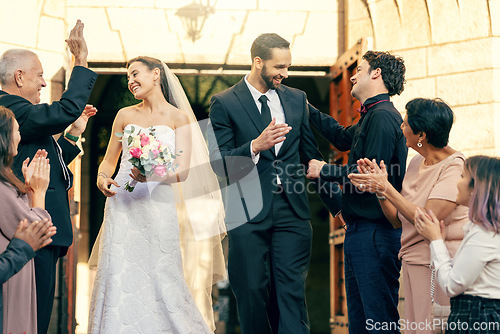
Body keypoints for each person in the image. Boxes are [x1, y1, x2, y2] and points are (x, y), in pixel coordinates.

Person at [89, 56, 225, 333]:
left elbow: (183, 171)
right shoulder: (124, 116)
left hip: (158, 206)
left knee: (161, 272)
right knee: (119, 270)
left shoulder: (179, 118)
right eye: (128, 77)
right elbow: (109, 160)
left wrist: (151, 175)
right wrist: (103, 177)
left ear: (156, 75)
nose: (131, 81)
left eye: (136, 74)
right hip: (122, 204)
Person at [208, 33, 324, 334]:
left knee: (291, 293)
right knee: (250, 292)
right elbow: (218, 165)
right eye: (279, 67)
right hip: (246, 215)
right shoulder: (224, 103)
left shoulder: (297, 99)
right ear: (258, 62)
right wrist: (254, 147)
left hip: (292, 212)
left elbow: (311, 154)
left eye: (288, 66)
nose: (285, 74)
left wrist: (338, 206)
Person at [0, 20, 98, 333]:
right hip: (31, 226)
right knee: (33, 318)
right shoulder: (11, 109)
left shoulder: (22, 114)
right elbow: (65, 108)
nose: (44, 83)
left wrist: (71, 138)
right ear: (19, 77)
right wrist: (80, 63)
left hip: (43, 226)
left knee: (36, 315)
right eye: (40, 75)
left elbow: (40, 160)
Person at [306, 51, 407, 333]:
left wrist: (323, 170)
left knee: (378, 323)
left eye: (359, 69)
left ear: (376, 74)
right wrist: (305, 107)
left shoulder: (384, 118)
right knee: (361, 325)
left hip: (375, 234)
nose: (352, 74)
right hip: (360, 233)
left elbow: (370, 179)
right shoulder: (371, 116)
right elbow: (340, 138)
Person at [348, 98, 469, 333]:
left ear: (421, 134)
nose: (400, 128)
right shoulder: (415, 163)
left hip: (440, 266)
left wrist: (386, 188)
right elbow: (397, 219)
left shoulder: (455, 167)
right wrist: (380, 192)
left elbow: (427, 218)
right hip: (413, 263)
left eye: (405, 124)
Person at [415, 155, 500, 334]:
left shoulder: (484, 233)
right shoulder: (482, 230)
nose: (457, 182)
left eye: (462, 176)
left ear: (475, 187)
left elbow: (451, 285)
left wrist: (436, 240)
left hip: (476, 316)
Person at [0, 106, 57, 334]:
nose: (20, 136)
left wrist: (29, 190)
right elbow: (38, 230)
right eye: (16, 130)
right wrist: (40, 191)